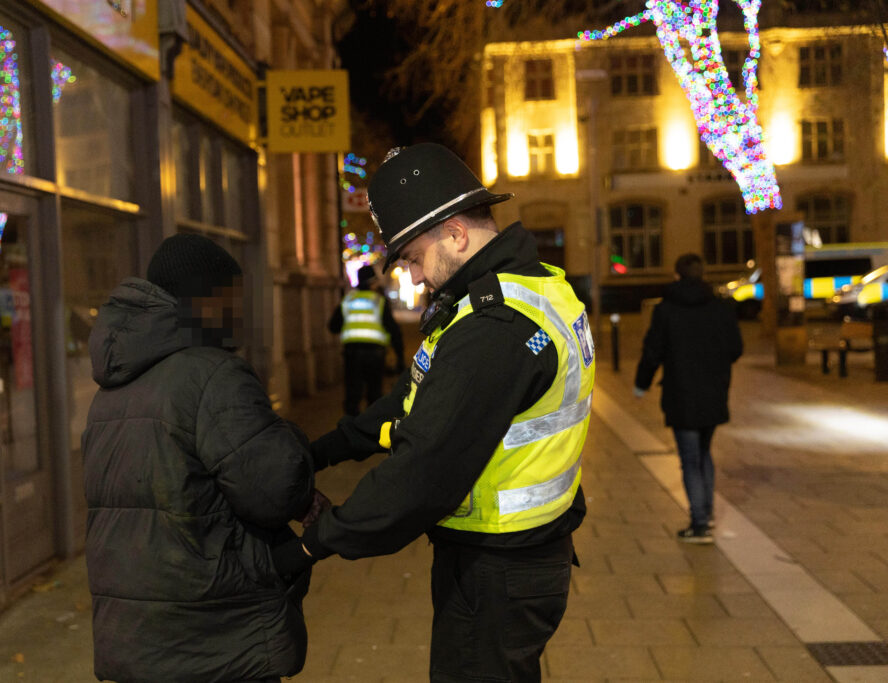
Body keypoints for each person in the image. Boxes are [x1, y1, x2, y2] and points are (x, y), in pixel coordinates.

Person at [271, 143, 595, 682]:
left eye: (414, 258)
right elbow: (412, 399)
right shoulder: (520, 290)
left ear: (456, 234)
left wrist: (310, 545)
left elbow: (420, 472)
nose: (416, 277)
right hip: (516, 557)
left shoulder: (494, 329)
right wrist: (323, 452)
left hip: (499, 570)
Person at [82, 233, 321, 683]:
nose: (240, 312)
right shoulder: (213, 374)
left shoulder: (111, 388)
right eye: (233, 298)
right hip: (212, 636)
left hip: (134, 637)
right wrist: (286, 435)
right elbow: (276, 489)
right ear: (206, 301)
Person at [633, 252, 743, 544]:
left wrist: (641, 385)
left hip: (681, 394)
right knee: (704, 453)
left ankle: (699, 524)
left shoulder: (666, 310)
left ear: (677, 275)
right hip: (713, 392)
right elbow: (736, 348)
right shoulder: (720, 308)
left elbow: (652, 351)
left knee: (690, 459)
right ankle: (706, 513)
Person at [328, 263, 405, 415]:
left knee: (352, 395)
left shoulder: (348, 300)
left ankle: (350, 426)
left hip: (352, 354)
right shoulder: (379, 301)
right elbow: (393, 330)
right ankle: (371, 426)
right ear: (372, 282)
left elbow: (333, 326)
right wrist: (400, 357)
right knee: (374, 395)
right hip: (375, 355)